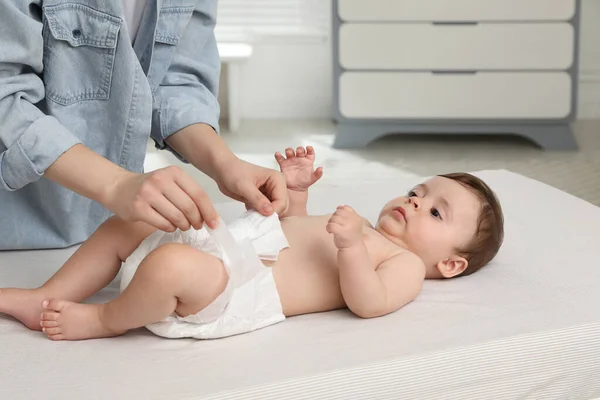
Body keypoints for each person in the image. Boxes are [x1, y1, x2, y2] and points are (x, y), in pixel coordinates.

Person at [0, 146, 505, 340]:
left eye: (435, 211)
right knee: (129, 222)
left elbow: (368, 302)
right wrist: (299, 192)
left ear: (452, 264)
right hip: (229, 244)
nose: (415, 201)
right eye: (418, 191)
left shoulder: (405, 265)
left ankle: (104, 320)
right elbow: (293, 237)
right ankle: (47, 294)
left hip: (236, 290)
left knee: (171, 265)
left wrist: (352, 248)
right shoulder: (360, 226)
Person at [0, 0, 287, 250]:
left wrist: (225, 164)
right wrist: (116, 185)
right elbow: (6, 94)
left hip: (102, 231)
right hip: (17, 230)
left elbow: (173, 80)